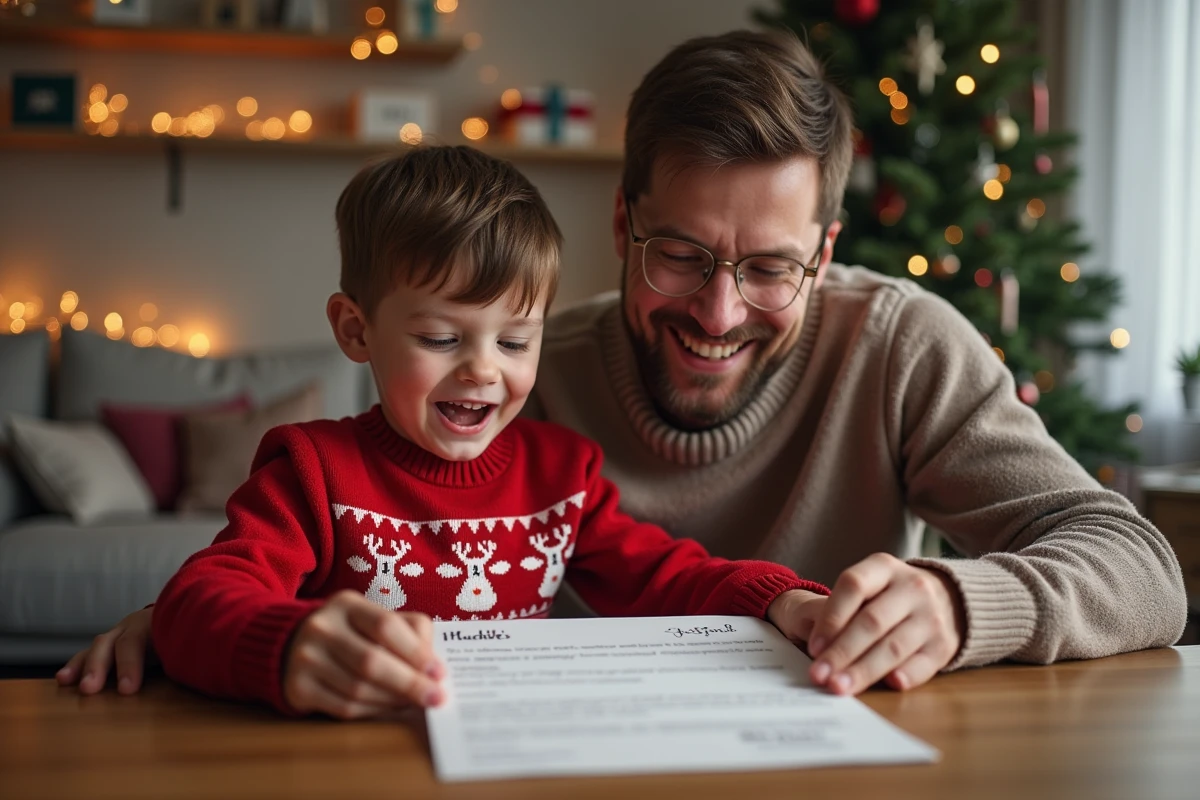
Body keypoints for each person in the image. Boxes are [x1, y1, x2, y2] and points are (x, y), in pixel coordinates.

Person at [60, 29, 1186, 703]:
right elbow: (263, 558)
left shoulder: (897, 345)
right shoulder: (531, 385)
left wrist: (952, 598)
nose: (716, 308)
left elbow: (1142, 568)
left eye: (771, 268)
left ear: (829, 253)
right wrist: (186, 621)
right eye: (683, 253)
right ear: (622, 221)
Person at [116, 145, 828, 717]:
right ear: (356, 330)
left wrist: (781, 599)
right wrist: (287, 643)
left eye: (515, 343)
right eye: (439, 337)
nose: (483, 371)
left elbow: (666, 577)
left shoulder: (562, 474)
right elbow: (198, 601)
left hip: (502, 748)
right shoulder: (312, 470)